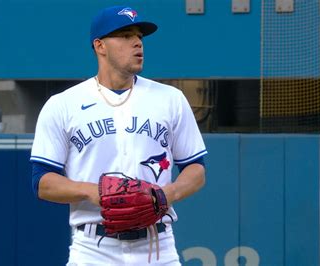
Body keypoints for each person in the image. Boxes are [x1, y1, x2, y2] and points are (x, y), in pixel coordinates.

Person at [30, 5, 207, 265]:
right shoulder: (63, 105)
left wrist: (167, 195)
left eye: (140, 36)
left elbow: (196, 169)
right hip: (93, 249)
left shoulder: (170, 99)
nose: (137, 42)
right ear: (100, 46)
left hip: (157, 248)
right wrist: (93, 192)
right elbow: (42, 182)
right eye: (126, 35)